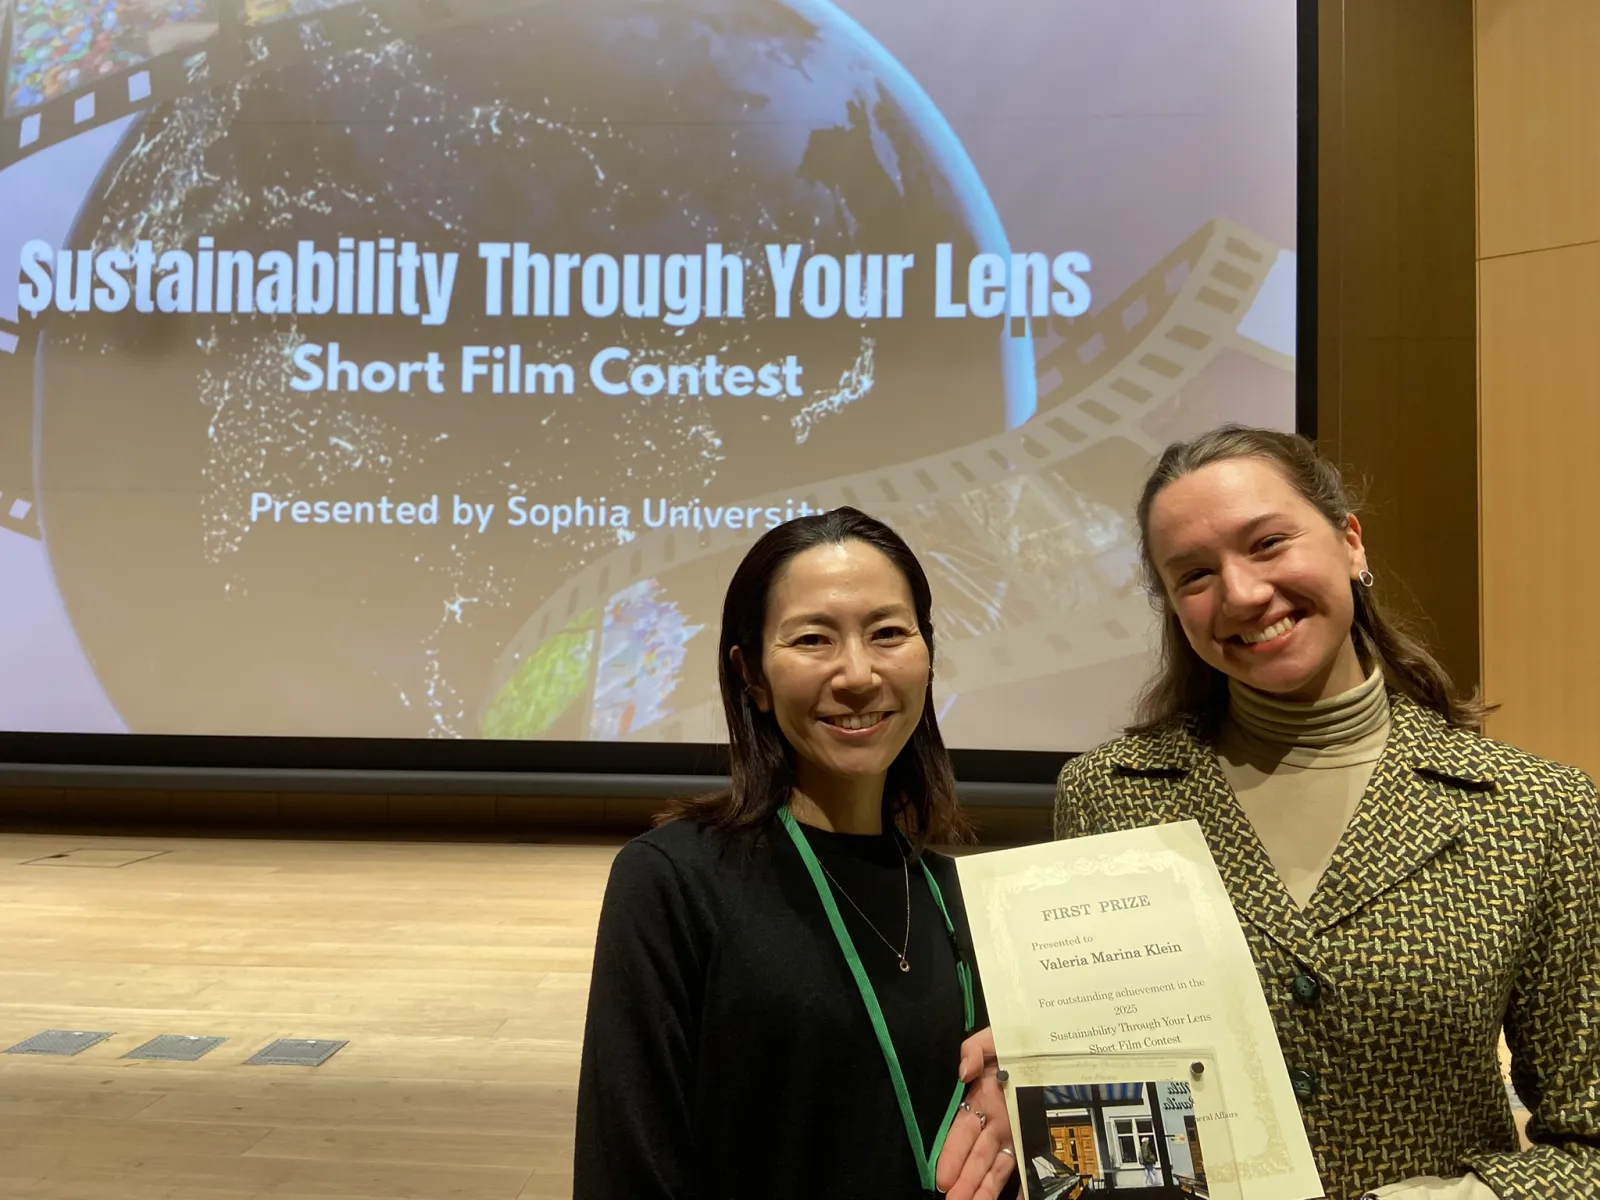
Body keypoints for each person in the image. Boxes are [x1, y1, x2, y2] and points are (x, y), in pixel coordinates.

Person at [1053, 425, 1600, 1200]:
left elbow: (1590, 1143)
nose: (1242, 593)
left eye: (1268, 543)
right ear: (1174, 608)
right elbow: (1110, 1110)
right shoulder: (1110, 797)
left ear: (1350, 542)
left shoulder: (1535, 812)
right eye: (1195, 575)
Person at [574, 507, 1017, 1199]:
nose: (858, 673)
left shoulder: (960, 897)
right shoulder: (675, 881)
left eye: (889, 633)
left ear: (926, 654)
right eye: (814, 638)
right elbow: (627, 1169)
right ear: (751, 676)